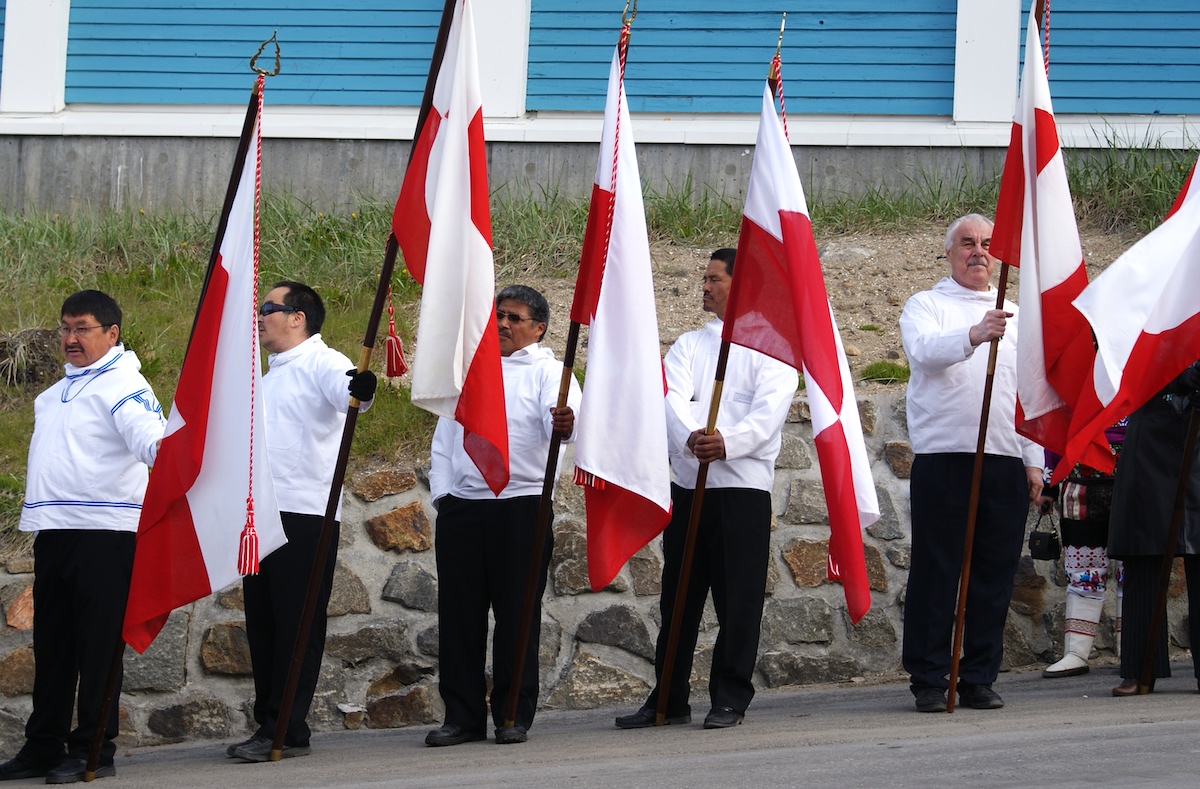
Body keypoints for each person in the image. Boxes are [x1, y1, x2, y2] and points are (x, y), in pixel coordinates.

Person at [615, 248, 797, 731]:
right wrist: (693, 438)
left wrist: (727, 442)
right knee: (679, 598)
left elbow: (768, 416)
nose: (705, 286)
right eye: (705, 278)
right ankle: (669, 697)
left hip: (740, 492)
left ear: (741, 286)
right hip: (689, 487)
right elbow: (669, 399)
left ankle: (730, 696)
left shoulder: (773, 349)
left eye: (715, 279)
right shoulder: (689, 347)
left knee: (738, 600)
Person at [0, 290, 165, 783]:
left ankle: (95, 749)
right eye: (65, 328)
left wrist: (173, 445)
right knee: (53, 647)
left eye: (83, 329)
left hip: (106, 534)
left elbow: (150, 441)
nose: (70, 339)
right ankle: (43, 745)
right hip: (54, 532)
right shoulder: (53, 394)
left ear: (111, 333)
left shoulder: (124, 385)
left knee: (97, 647)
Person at [898, 214, 1043, 713]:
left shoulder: (1020, 315)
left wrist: (1033, 460)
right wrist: (975, 334)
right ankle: (928, 677)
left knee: (994, 573)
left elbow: (1028, 393)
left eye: (986, 244)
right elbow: (923, 353)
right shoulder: (927, 305)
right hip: (945, 458)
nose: (979, 251)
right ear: (950, 253)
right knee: (937, 570)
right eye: (968, 243)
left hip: (1004, 457)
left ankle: (979, 674)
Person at [424, 284, 581, 747]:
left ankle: (513, 713)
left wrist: (567, 423)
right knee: (459, 616)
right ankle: (462, 716)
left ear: (539, 327)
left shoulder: (552, 373)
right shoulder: (471, 373)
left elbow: (573, 424)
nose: (505, 324)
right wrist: (443, 498)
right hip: (464, 510)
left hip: (521, 507)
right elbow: (444, 440)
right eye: (499, 316)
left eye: (515, 318)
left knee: (517, 615)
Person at [226, 281, 376, 762]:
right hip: (262, 515)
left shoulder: (322, 360)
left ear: (298, 318)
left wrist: (361, 388)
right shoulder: (267, 375)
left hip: (304, 515)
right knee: (263, 624)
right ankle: (273, 722)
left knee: (296, 624)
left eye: (270, 308)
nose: (261, 315)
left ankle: (284, 726)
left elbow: (348, 389)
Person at [1108, 361, 1200, 696]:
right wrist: (1176, 376)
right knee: (1144, 551)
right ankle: (1140, 667)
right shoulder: (1138, 311)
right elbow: (1123, 362)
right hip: (1150, 435)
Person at [1037, 422, 1125, 679]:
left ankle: (1133, 651)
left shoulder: (1138, 379)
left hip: (1133, 482)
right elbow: (1057, 420)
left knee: (1133, 572)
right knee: (1082, 572)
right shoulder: (1076, 380)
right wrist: (1049, 485)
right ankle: (1076, 653)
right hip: (1080, 485)